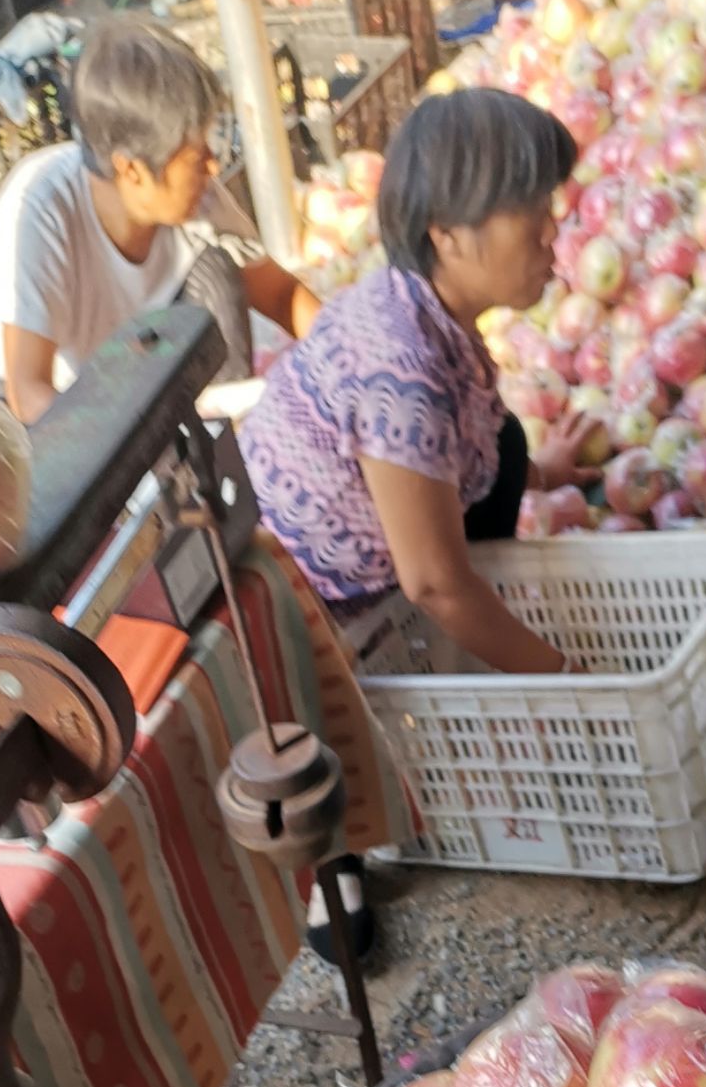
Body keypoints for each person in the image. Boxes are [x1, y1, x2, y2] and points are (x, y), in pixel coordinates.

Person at [240, 88, 601, 675]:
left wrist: (542, 475)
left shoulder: (415, 308)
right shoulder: (403, 376)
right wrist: (572, 682)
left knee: (505, 446)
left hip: (333, 574)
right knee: (470, 536)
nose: (551, 231)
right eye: (531, 211)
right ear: (446, 233)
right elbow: (434, 585)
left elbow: (455, 456)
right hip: (311, 627)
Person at [0, 17, 318, 422]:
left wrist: (348, 350)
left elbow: (282, 295)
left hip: (125, 369)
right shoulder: (41, 210)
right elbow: (28, 393)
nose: (214, 168)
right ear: (132, 170)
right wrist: (137, 433)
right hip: (20, 414)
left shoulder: (198, 201)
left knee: (216, 269)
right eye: (197, 158)